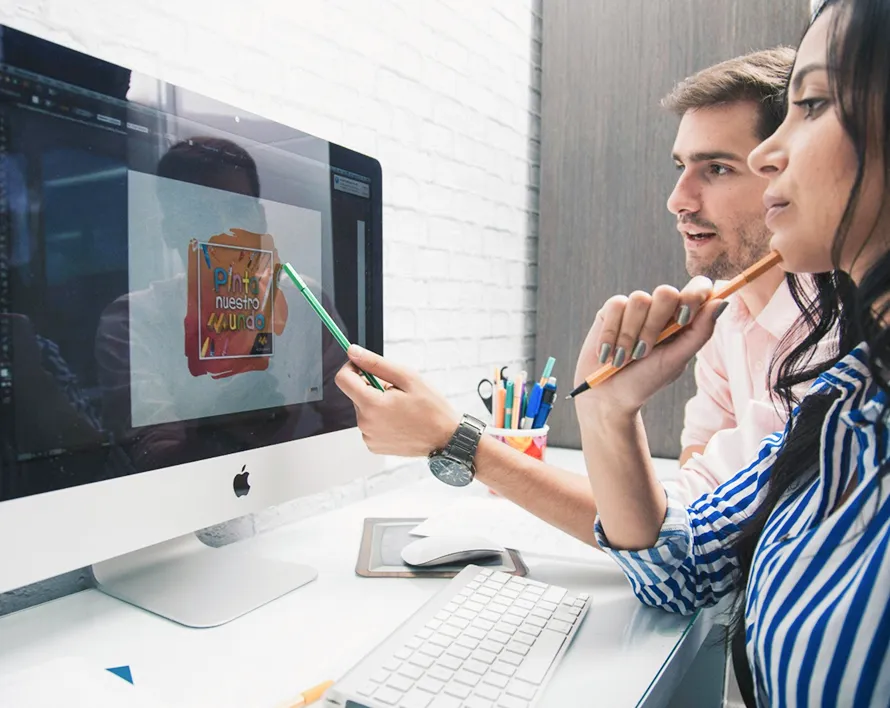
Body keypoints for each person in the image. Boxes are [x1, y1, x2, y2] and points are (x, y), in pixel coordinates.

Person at [333, 48, 801, 547]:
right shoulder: (726, 317)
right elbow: (696, 490)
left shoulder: (827, 341)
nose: (678, 199)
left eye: (718, 169)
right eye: (681, 165)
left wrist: (456, 440)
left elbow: (686, 540)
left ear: (791, 174)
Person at [567, 1, 889, 704]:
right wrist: (607, 412)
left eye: (811, 105)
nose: (771, 156)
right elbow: (680, 566)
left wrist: (459, 441)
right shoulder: (848, 398)